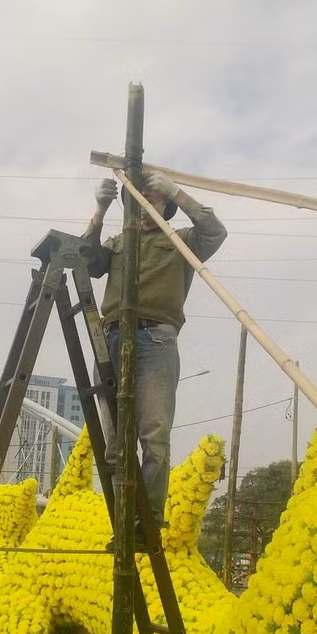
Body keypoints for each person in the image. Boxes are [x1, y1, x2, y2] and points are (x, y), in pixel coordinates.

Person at [84, 170, 227, 542]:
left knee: (154, 434)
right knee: (115, 442)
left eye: (154, 197)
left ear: (164, 205)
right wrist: (99, 211)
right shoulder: (117, 244)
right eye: (140, 197)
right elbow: (87, 262)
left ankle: (145, 522)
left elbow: (215, 232)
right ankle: (122, 524)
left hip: (156, 338)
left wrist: (177, 192)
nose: (146, 204)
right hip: (113, 336)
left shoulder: (180, 242)